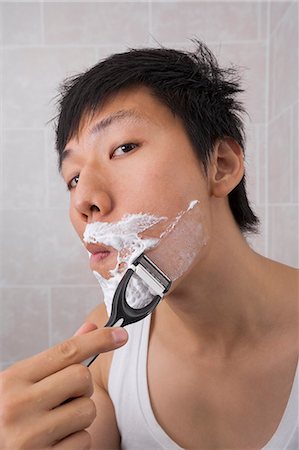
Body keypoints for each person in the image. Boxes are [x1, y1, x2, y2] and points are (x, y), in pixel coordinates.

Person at [1, 40, 298, 450]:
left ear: (221, 166)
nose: (82, 199)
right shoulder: (108, 345)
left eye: (123, 148)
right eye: (72, 177)